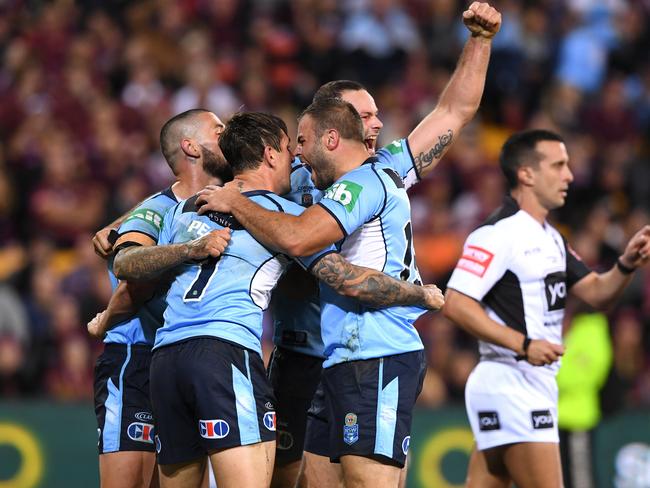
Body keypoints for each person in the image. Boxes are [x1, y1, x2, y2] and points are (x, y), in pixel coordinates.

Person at [111, 111, 444, 488]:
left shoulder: (184, 208)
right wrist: (420, 294)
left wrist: (108, 315)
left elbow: (130, 270)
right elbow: (347, 278)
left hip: (165, 361)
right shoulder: (284, 216)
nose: (297, 158)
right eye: (289, 149)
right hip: (226, 355)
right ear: (271, 155)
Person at [253, 4, 502, 486]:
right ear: (332, 126)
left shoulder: (382, 172)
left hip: (369, 347)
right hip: (302, 353)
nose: (375, 124)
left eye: (376, 114)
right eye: (363, 115)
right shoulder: (288, 178)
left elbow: (454, 111)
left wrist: (479, 42)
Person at [442, 129, 650, 488]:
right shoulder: (497, 234)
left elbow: (597, 292)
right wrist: (523, 344)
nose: (569, 175)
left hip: (527, 384)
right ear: (526, 174)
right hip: (512, 379)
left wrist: (626, 264)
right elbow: (456, 303)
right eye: (559, 165)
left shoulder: (551, 237)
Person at [89, 109, 232, 488]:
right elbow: (130, 277)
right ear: (190, 146)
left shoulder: (230, 202)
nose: (229, 135)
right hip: (136, 359)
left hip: (190, 362)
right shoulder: (153, 211)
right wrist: (106, 319)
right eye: (218, 130)